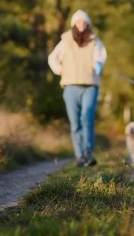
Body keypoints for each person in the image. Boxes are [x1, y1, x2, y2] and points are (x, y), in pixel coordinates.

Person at [48, 10, 107, 167]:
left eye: (84, 22)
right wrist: (60, 70)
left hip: (90, 85)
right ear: (74, 24)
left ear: (87, 24)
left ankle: (88, 152)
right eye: (78, 22)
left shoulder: (94, 41)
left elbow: (101, 56)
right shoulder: (65, 41)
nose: (81, 24)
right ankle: (79, 155)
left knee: (86, 118)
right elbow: (52, 58)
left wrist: (99, 65)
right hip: (70, 86)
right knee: (75, 123)